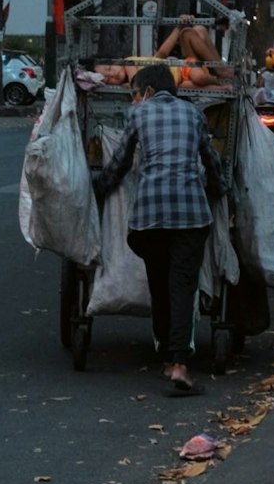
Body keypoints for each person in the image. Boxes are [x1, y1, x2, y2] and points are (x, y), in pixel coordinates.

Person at [92, 63, 225, 397]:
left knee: (160, 284)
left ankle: (168, 358)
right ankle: (179, 363)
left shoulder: (138, 115)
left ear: (148, 92)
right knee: (182, 286)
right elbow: (210, 161)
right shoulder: (195, 115)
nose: (135, 99)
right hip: (191, 215)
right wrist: (221, 189)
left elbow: (120, 163)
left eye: (136, 93)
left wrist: (98, 189)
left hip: (149, 218)